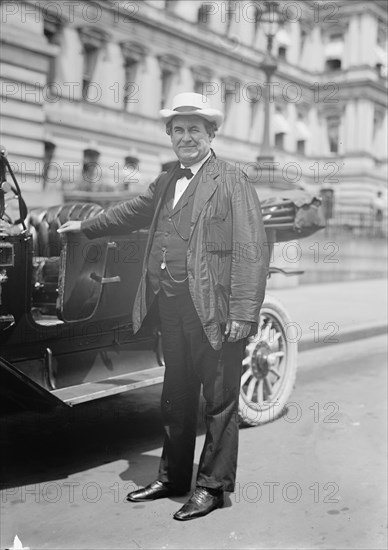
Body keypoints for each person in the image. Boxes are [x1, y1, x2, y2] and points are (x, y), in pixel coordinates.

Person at [58, 92, 269, 520]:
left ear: (212, 134)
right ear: (170, 136)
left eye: (195, 129)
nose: (186, 137)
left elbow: (252, 248)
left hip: (215, 309)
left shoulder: (232, 179)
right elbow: (132, 212)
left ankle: (212, 487)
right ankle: (173, 477)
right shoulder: (167, 179)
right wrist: (85, 226)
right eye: (178, 130)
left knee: (220, 401)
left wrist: (244, 314)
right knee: (175, 395)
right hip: (169, 306)